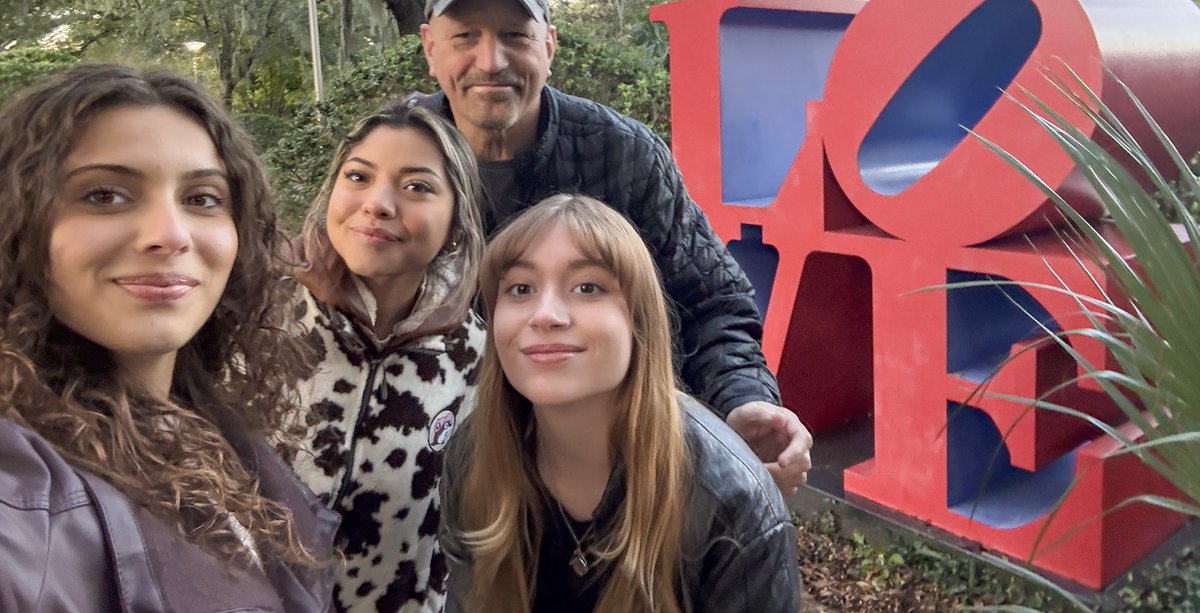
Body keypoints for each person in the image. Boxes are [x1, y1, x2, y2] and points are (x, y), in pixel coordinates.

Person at [415, 0, 812, 493]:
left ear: (548, 46)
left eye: (515, 36)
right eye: (465, 36)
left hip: (612, 462)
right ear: (430, 47)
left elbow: (711, 301)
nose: (491, 61)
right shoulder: (392, 159)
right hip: (438, 467)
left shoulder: (620, 154)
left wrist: (742, 398)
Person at [0, 64, 335, 612]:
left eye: (202, 198)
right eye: (104, 195)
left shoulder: (212, 428)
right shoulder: (20, 497)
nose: (171, 234)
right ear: (18, 222)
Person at [439, 193, 801, 613]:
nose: (545, 314)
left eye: (587, 287)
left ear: (638, 320)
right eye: (521, 288)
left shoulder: (730, 504)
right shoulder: (473, 457)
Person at [289, 103, 485, 612]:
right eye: (358, 176)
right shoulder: (253, 313)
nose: (377, 204)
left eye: (417, 186)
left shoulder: (474, 356)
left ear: (456, 222)